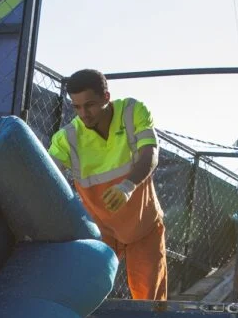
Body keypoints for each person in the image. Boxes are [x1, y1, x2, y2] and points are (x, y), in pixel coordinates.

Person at [48, 68, 167, 301]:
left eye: (90, 105)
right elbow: (42, 169)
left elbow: (150, 154)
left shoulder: (133, 112)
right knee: (85, 294)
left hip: (144, 226)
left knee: (150, 303)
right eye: (76, 107)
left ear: (106, 97)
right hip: (100, 230)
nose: (84, 114)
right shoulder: (67, 138)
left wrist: (127, 186)